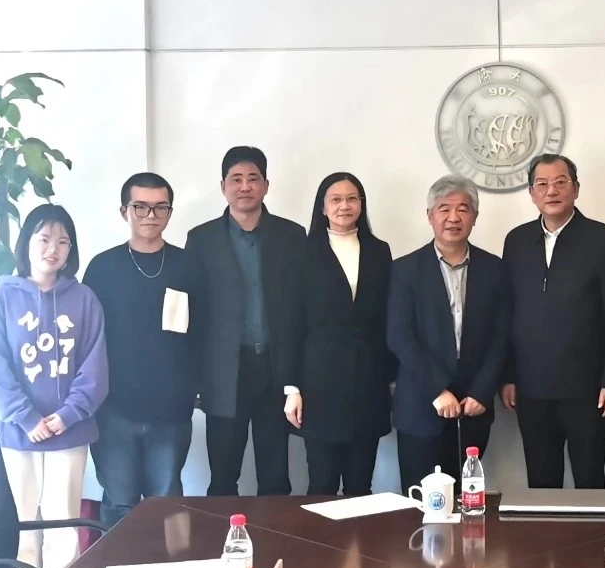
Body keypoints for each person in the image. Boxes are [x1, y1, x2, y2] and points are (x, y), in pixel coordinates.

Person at [0, 203, 108, 568]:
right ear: (27, 244)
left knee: (64, 526)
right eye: (45, 238)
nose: (53, 249)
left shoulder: (84, 299)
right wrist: (26, 418)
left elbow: (95, 366)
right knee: (19, 527)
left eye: (63, 242)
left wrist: (68, 415)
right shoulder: (1, 299)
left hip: (70, 432)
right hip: (18, 434)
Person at [500, 154, 605, 490]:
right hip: (531, 387)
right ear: (531, 193)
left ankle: (591, 529)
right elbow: (508, 314)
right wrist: (509, 375)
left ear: (576, 188)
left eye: (561, 182)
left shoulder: (604, 240)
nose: (552, 191)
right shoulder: (516, 241)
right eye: (542, 184)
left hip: (587, 388)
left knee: (589, 479)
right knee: (541, 482)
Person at [84, 173, 207, 526]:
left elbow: (203, 331)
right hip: (113, 412)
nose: (150, 215)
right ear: (125, 211)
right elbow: (87, 338)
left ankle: (168, 565)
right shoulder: (102, 267)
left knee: (166, 505)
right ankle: (118, 566)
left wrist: (196, 387)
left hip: (171, 411)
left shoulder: (188, 266)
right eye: (140, 207)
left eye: (160, 207)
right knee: (119, 506)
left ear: (170, 212)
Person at [186, 146, 306, 496]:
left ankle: (274, 533)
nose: (245, 186)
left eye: (253, 178)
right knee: (223, 476)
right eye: (236, 179)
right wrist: (196, 376)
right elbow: (194, 312)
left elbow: (301, 308)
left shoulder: (292, 236)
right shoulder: (201, 239)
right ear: (223, 186)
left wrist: (297, 378)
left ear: (266, 185)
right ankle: (224, 533)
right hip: (224, 371)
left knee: (275, 475)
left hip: (274, 368)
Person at [388, 176, 509, 493]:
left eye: (463, 209)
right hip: (420, 405)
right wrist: (436, 389)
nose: (453, 217)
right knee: (418, 502)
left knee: (467, 499)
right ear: (430, 216)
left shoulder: (494, 269)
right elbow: (400, 336)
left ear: (474, 216)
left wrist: (483, 391)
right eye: (444, 209)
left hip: (473, 406)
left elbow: (501, 336)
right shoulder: (405, 270)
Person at [285, 173, 395, 496]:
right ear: (322, 207)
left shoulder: (379, 251)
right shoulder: (302, 252)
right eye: (335, 199)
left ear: (361, 204)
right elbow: (290, 323)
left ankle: (361, 534)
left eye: (352, 198)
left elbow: (388, 318)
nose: (344, 205)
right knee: (323, 482)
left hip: (369, 379)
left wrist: (392, 377)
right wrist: (292, 387)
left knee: (361, 483)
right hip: (319, 382)